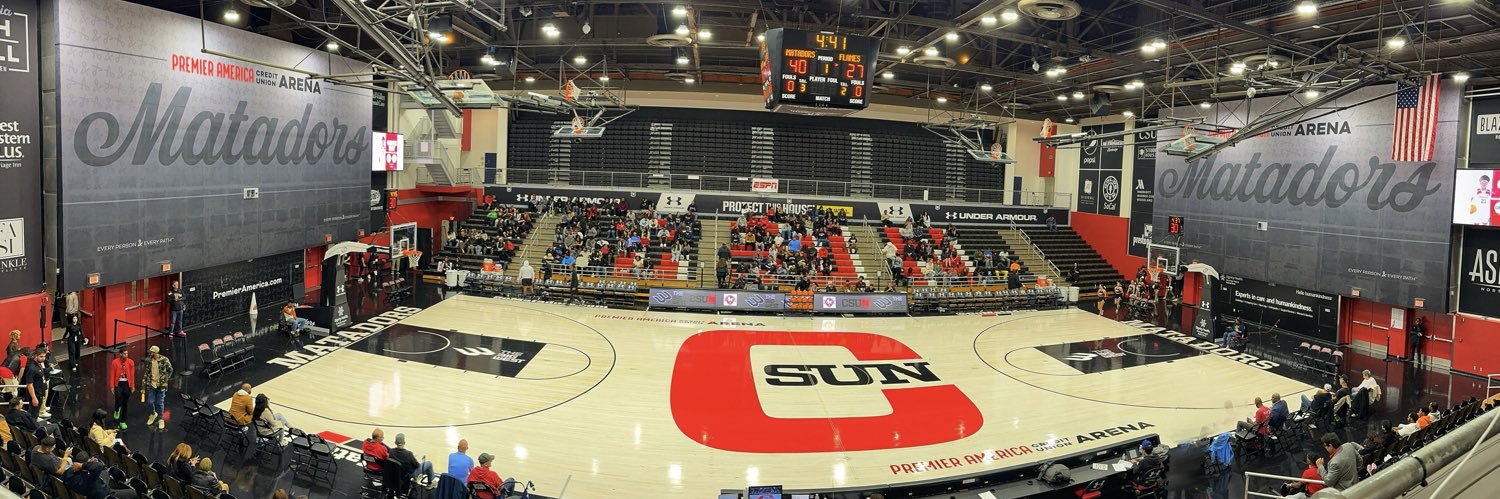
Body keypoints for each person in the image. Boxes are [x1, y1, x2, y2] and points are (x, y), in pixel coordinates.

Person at [64, 451, 137, 499]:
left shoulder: (68, 474)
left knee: (105, 473)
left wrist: (86, 464)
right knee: (133, 493)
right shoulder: (88, 479)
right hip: (104, 494)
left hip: (88, 494)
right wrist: (83, 465)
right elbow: (99, 466)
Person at [142, 345, 172, 430]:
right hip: (152, 385)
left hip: (161, 386)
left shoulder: (164, 360)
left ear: (155, 352)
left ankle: (160, 419)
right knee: (150, 402)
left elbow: (170, 370)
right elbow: (147, 373)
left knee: (160, 403)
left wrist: (165, 379)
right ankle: (153, 414)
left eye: (151, 352)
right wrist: (143, 386)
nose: (150, 353)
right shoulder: (149, 361)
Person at [107, 349, 135, 427]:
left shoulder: (131, 362)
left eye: (127, 353)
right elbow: (112, 374)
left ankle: (123, 421)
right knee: (118, 400)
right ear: (120, 354)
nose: (126, 355)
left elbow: (132, 375)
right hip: (118, 384)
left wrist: (132, 386)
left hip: (127, 384)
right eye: (124, 353)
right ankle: (117, 409)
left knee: (125, 404)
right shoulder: (115, 362)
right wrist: (112, 386)